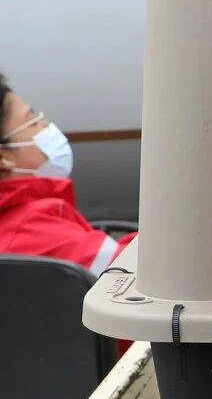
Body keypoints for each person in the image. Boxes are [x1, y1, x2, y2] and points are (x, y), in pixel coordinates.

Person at [0, 74, 134, 275]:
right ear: (4, 159)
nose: (46, 126)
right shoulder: (32, 229)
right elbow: (137, 271)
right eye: (33, 122)